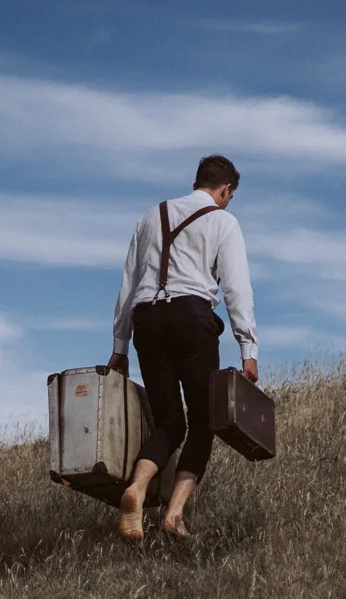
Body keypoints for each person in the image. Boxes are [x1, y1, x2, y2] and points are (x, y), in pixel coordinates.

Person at [106, 154, 259, 542]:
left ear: (197, 181)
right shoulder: (223, 221)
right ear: (225, 190)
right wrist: (248, 348)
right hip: (191, 318)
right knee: (204, 421)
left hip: (147, 320)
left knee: (169, 422)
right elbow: (237, 288)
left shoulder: (149, 217)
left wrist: (120, 345)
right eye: (229, 196)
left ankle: (137, 491)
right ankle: (174, 516)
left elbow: (128, 283)